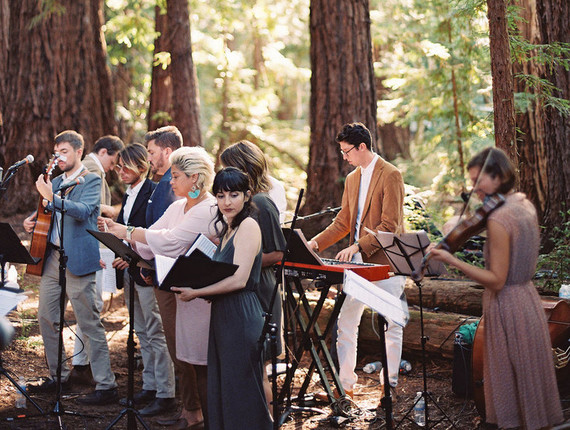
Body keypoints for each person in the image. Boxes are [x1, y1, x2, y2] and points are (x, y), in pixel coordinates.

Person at [427, 147, 563, 430]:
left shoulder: (500, 219)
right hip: (528, 300)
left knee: (509, 391)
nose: (474, 188)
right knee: (530, 390)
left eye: (479, 181)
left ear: (499, 176)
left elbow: (497, 279)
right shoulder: (522, 204)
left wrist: (452, 258)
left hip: (507, 307)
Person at [100, 145, 216, 430]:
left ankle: (205, 415)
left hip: (197, 293)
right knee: (178, 352)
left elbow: (170, 240)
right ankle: (189, 411)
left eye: (176, 176)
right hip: (167, 285)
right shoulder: (178, 206)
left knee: (196, 356)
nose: (171, 182)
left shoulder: (208, 208)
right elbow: (152, 241)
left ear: (197, 178)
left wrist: (126, 231)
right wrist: (125, 243)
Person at [307, 122, 407, 399]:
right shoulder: (352, 179)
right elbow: (342, 223)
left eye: (347, 151)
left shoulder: (391, 174)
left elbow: (391, 225)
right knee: (346, 322)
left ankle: (390, 387)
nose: (344, 157)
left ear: (362, 147)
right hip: (357, 264)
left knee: (391, 324)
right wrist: (313, 243)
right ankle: (346, 387)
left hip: (387, 262)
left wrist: (357, 245)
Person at [172, 167, 272, 430]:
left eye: (234, 195)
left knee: (242, 387)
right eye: (220, 195)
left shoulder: (249, 226)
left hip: (242, 314)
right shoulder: (228, 227)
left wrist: (197, 292)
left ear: (248, 196)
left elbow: (239, 279)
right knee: (227, 384)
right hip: (223, 314)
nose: (226, 202)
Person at [23, 130, 118, 405]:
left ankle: (106, 385)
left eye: (64, 152)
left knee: (89, 323)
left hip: (77, 258)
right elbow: (46, 210)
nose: (59, 157)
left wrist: (51, 198)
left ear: (79, 152)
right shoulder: (53, 182)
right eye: (56, 153)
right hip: (52, 259)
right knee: (46, 317)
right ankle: (59, 376)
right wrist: (32, 220)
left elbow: (84, 210)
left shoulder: (91, 179)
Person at [220, 141, 285, 407]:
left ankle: (266, 420)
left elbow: (278, 253)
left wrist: (244, 261)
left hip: (261, 293)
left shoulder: (261, 203)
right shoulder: (242, 203)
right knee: (246, 370)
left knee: (257, 372)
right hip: (243, 289)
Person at [111, 143, 175, 416]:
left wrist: (134, 256)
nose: (120, 171)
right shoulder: (128, 193)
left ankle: (166, 392)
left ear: (141, 166)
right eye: (117, 166)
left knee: (155, 331)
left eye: (126, 166)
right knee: (142, 333)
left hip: (147, 270)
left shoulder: (152, 191)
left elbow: (151, 233)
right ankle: (149, 385)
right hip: (128, 270)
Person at [72, 134, 124, 377]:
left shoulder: (92, 167)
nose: (113, 169)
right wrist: (110, 210)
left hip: (92, 239)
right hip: (90, 241)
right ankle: (85, 365)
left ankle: (83, 362)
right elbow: (89, 206)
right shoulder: (91, 166)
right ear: (103, 152)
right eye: (113, 162)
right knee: (91, 306)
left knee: (91, 305)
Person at [145, 125, 182, 226]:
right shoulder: (181, 179)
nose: (148, 159)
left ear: (167, 152)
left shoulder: (168, 183)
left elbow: (159, 231)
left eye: (152, 153)